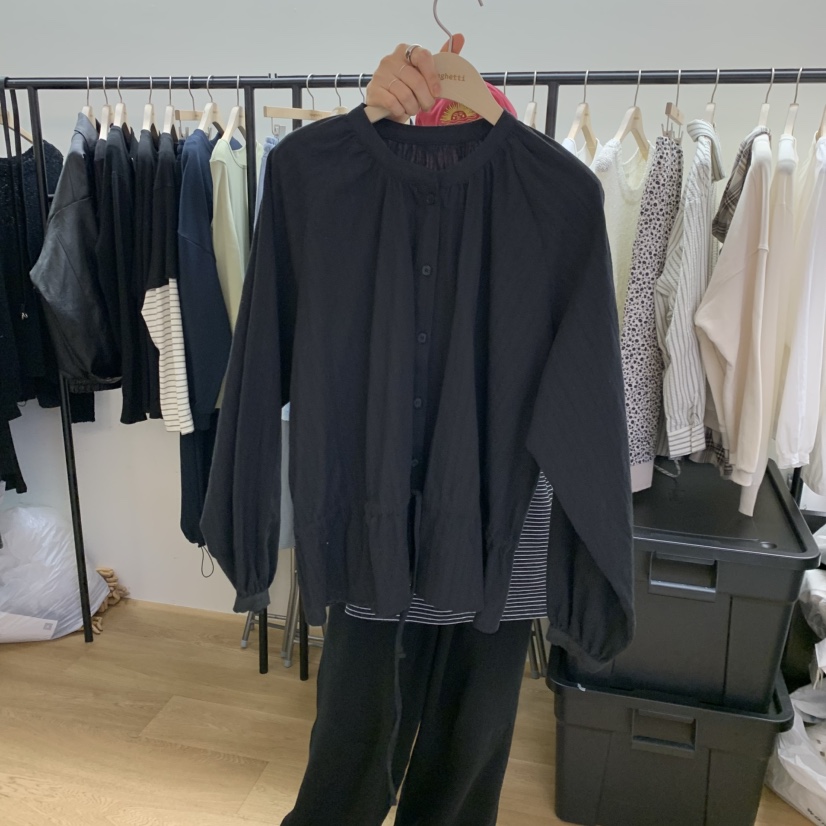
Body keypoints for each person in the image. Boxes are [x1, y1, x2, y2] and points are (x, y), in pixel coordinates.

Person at [279, 37, 537, 826]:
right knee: (350, 760)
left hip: (501, 536)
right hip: (373, 526)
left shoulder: (548, 193)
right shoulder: (331, 186)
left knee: (463, 770)